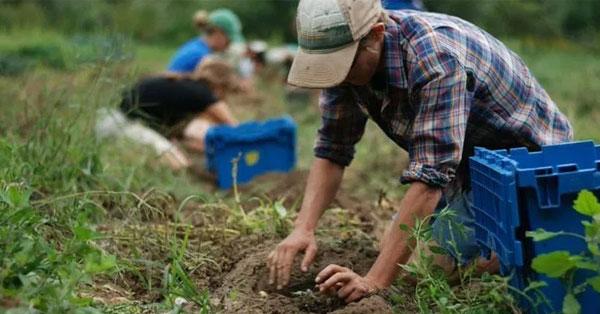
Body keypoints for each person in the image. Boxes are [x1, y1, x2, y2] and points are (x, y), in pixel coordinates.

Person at [267, 0, 573, 303]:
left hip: (522, 166)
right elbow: (333, 148)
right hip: (463, 165)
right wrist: (303, 229)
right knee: (392, 249)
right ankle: (486, 249)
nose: (339, 75)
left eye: (345, 63)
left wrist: (374, 282)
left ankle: (510, 248)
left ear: (375, 34)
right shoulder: (348, 65)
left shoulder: (435, 58)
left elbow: (430, 179)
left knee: (415, 274)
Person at [96, 60, 239, 170]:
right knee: (178, 164)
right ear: (220, 85)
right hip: (120, 126)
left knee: (177, 156)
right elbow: (232, 125)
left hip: (110, 121)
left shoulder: (186, 86)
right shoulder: (202, 93)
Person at [166, 9, 244, 76]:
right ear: (218, 33)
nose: (229, 46)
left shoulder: (196, 45)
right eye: (229, 41)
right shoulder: (200, 55)